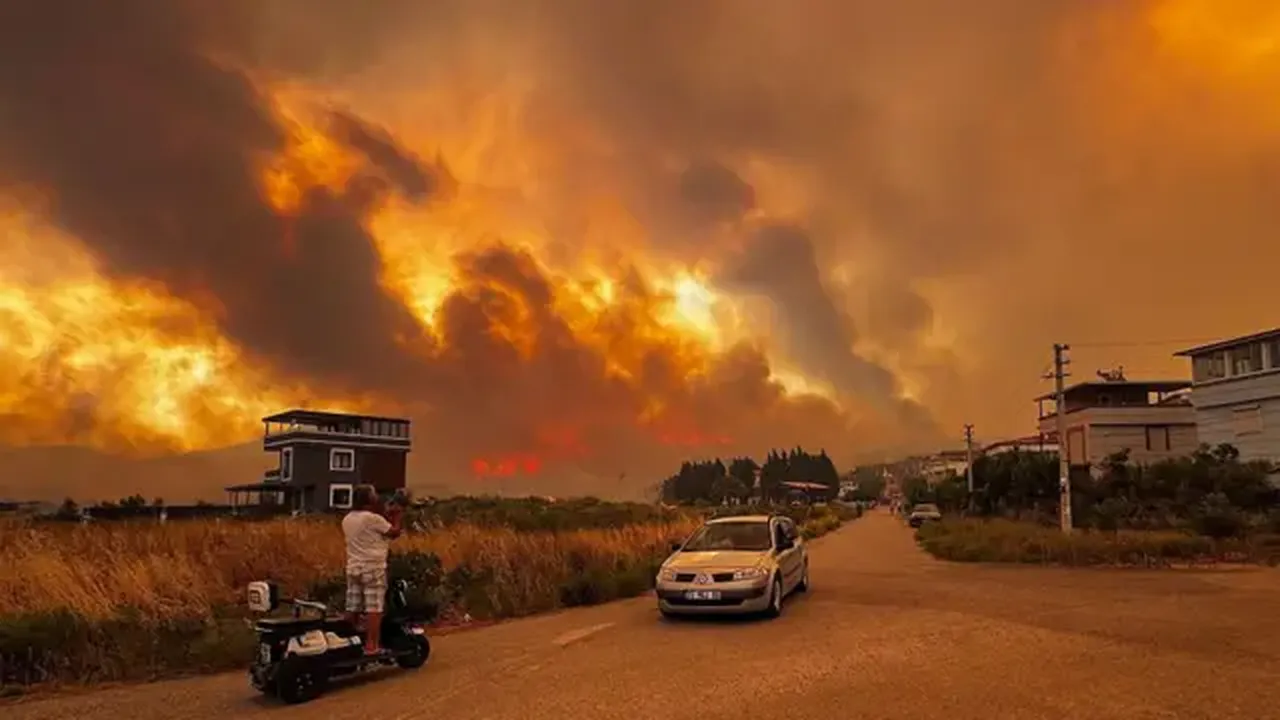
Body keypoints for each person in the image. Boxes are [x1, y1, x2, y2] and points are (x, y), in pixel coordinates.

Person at [342, 484, 401, 655]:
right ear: (368, 499)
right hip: (373, 568)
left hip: (353, 567)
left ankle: (348, 641)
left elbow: (373, 530)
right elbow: (394, 532)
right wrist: (397, 516)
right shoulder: (372, 519)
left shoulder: (348, 519)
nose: (376, 495)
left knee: (352, 606)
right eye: (373, 493)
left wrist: (385, 514)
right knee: (374, 609)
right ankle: (371, 645)